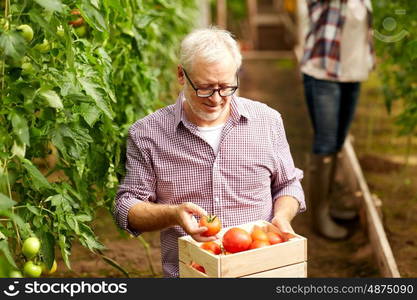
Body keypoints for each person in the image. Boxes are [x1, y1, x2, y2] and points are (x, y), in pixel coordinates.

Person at [113, 27, 306, 278]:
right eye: (205, 88)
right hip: (192, 273)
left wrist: (281, 216)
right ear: (181, 75)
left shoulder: (267, 121)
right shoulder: (147, 134)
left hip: (261, 271)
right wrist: (174, 214)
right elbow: (126, 208)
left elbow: (288, 185)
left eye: (226, 87)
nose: (216, 98)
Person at [300, 0, 375, 239]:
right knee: (326, 142)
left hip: (353, 74)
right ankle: (319, 217)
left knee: (338, 141)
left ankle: (328, 205)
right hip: (324, 75)